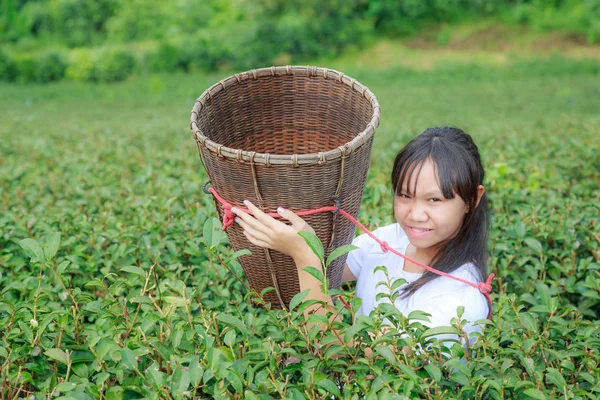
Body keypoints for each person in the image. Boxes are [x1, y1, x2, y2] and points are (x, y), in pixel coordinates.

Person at [230, 127, 491, 342]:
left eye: (434, 199)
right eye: (404, 195)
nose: (415, 214)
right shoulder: (392, 238)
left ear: (472, 200)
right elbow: (329, 269)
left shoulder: (461, 302)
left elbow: (344, 355)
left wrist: (303, 253)